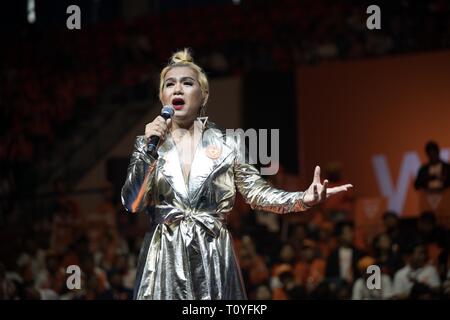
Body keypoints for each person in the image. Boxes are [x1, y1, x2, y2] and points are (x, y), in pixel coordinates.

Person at [121, 48, 353, 300]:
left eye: (187, 83)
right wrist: (147, 152)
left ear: (204, 95)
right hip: (164, 256)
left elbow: (258, 194)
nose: (177, 89)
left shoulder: (228, 143)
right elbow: (132, 203)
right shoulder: (148, 143)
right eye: (170, 84)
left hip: (212, 253)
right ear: (162, 96)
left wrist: (302, 199)